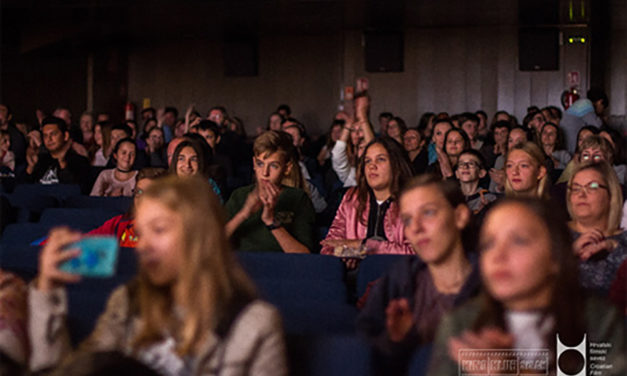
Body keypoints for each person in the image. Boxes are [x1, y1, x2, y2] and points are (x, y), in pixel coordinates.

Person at [28, 176, 288, 375]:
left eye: (159, 230)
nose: (143, 245)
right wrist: (47, 290)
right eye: (142, 232)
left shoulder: (255, 325)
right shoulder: (127, 301)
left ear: (200, 236)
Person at [428, 198, 625, 375]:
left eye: (518, 241)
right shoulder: (461, 325)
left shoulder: (600, 319)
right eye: (488, 244)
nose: (498, 256)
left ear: (556, 256)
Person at [357, 175, 481, 375]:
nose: (416, 228)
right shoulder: (398, 280)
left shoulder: (496, 286)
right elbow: (365, 355)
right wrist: (395, 342)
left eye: (428, 213)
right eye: (407, 220)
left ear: (459, 216)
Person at [320, 137, 414, 257]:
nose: (372, 166)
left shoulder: (413, 201)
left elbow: (417, 252)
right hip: (356, 274)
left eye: (380, 159)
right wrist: (349, 255)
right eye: (367, 161)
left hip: (400, 274)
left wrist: (363, 245)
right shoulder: (352, 197)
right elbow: (328, 246)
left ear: (396, 164)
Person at [225, 131, 315, 253]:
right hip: (243, 266)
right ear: (254, 164)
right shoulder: (239, 196)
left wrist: (271, 222)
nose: (265, 173)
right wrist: (243, 214)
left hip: (282, 267)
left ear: (287, 168)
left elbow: (305, 254)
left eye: (273, 166)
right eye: (260, 164)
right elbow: (213, 244)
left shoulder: (298, 198)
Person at [567, 162, 626, 294]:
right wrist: (568, 254)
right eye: (576, 188)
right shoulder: (553, 233)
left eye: (592, 187)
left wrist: (617, 251)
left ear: (611, 195)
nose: (581, 194)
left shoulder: (623, 242)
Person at [88, 168, 167, 248]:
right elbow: (85, 242)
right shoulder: (120, 223)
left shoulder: (172, 233)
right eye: (139, 192)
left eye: (150, 193)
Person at [21, 116, 90, 192]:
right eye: (45, 136)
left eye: (53, 134)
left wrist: (62, 162)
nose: (49, 139)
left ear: (65, 136)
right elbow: (22, 190)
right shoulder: (41, 160)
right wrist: (30, 167)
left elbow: (75, 191)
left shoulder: (79, 161)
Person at [455, 149, 497, 214]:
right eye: (461, 164)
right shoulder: (450, 198)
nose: (465, 167)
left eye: (471, 163)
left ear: (481, 173)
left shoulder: (489, 199)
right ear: (457, 173)